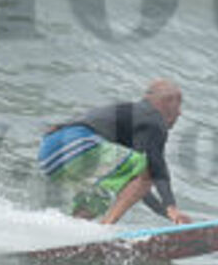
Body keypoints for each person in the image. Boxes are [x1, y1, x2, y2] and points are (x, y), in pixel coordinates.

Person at [36, 79, 194, 225]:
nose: (179, 113)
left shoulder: (133, 116)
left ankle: (73, 231)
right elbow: (156, 167)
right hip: (76, 143)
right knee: (147, 167)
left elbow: (137, 186)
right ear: (167, 102)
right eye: (178, 105)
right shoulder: (154, 118)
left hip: (49, 155)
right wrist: (171, 206)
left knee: (99, 197)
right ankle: (106, 227)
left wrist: (167, 214)